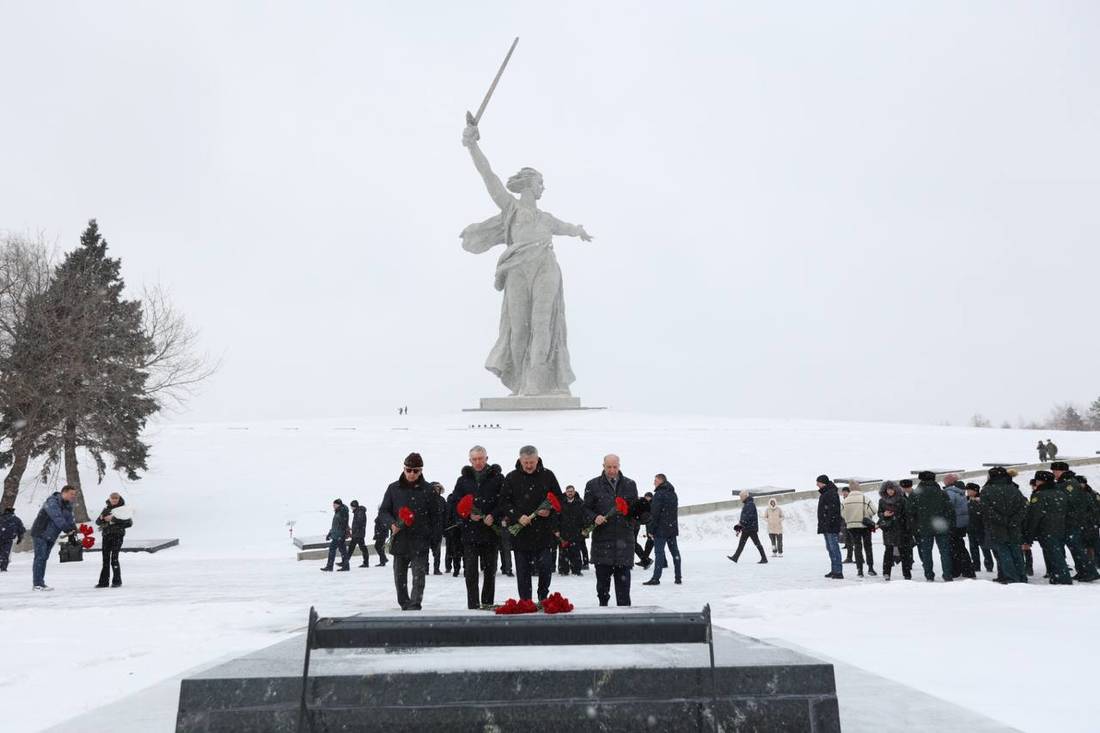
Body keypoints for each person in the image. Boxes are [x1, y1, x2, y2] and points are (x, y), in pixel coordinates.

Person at [460, 122, 593, 397]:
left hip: (545, 266)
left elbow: (567, 227)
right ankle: (521, 381)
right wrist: (472, 145)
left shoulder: (546, 219)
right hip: (517, 269)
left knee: (543, 324)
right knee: (519, 328)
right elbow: (489, 177)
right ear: (529, 184)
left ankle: (538, 381)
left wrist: (578, 231)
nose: (543, 187)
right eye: (541, 182)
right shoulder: (512, 208)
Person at [499, 446, 563, 603]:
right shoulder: (511, 477)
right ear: (520, 460)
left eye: (531, 462)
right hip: (521, 534)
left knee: (546, 568)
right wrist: (517, 516)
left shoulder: (548, 475)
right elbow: (503, 502)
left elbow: (559, 500)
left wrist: (550, 512)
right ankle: (526, 601)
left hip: (544, 533)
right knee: (522, 571)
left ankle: (543, 597)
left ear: (537, 459)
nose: (528, 466)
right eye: (525, 462)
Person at [379, 453, 439, 610]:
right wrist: (392, 524)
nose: (412, 473)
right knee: (400, 578)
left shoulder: (428, 490)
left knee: (419, 576)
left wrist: (434, 540)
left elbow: (436, 517)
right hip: (400, 540)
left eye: (416, 471)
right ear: (404, 469)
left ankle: (415, 604)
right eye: (409, 470)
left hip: (420, 540)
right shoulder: (393, 489)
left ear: (421, 471)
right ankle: (404, 603)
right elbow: (383, 511)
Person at [452, 445, 504, 610]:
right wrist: (467, 515)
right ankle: (473, 604)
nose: (478, 462)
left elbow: (503, 501)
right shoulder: (463, 480)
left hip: (490, 532)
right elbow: (455, 502)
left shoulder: (498, 478)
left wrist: (493, 515)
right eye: (474, 459)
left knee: (490, 571)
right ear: (470, 461)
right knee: (471, 571)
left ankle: (487, 602)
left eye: (481, 458)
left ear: (487, 458)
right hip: (470, 533)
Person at [584, 454, 638, 606]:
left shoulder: (630, 484)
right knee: (602, 590)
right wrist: (594, 517)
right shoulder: (592, 485)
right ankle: (603, 617)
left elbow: (635, 511)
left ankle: (625, 623)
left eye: (615, 467)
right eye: (609, 467)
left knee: (624, 593)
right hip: (602, 544)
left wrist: (635, 516)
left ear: (619, 466)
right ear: (603, 466)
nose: (612, 470)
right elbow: (585, 509)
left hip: (624, 544)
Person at [1052, 461, 1099, 582]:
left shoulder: (1070, 484)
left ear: (1062, 471)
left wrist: (1069, 517)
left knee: (1077, 548)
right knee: (1075, 547)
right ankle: (1083, 571)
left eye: (1055, 471)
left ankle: (1089, 571)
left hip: (1073, 522)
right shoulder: (1065, 482)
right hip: (1071, 521)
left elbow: (1071, 503)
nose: (1054, 473)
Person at [981, 466, 1028, 584]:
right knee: (1017, 552)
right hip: (1014, 527)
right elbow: (1023, 507)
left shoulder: (987, 490)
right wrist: (1014, 521)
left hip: (997, 527)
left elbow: (986, 510)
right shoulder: (1014, 489)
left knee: (1004, 552)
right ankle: (1022, 576)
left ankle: (1011, 577)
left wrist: (1002, 520)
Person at [1025, 470, 1072, 585]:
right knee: (1058, 552)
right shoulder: (1060, 493)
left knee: (1053, 554)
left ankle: (1062, 578)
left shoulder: (1039, 495)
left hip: (1046, 529)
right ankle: (1057, 575)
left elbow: (1034, 516)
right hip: (1061, 527)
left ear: (1040, 481)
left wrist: (1029, 536)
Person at [29, 485, 77, 590]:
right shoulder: (52, 502)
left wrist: (73, 531)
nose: (73, 496)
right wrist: (67, 529)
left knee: (44, 558)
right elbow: (57, 517)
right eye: (71, 494)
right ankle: (37, 584)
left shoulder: (68, 505)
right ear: (64, 492)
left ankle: (40, 583)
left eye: (74, 494)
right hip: (41, 532)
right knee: (40, 558)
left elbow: (69, 519)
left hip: (51, 535)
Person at [909, 471, 954, 582]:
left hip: (924, 527)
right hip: (941, 526)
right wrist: (949, 524)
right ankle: (947, 574)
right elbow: (950, 511)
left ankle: (929, 575)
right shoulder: (942, 493)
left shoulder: (915, 494)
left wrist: (915, 526)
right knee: (944, 552)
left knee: (926, 552)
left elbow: (910, 511)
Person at [643, 473, 681, 585]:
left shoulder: (659, 495)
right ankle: (678, 577)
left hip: (660, 529)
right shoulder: (673, 494)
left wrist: (650, 529)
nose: (654, 482)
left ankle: (656, 578)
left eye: (655, 480)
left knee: (659, 553)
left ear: (661, 481)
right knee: (675, 553)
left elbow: (654, 514)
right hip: (671, 528)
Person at [94, 492, 132, 588]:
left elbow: (129, 523)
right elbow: (97, 522)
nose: (114, 500)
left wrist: (113, 519)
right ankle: (103, 582)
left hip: (117, 535)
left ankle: (117, 581)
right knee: (105, 559)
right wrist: (102, 518)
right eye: (113, 498)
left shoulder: (123, 509)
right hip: (106, 535)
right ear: (109, 499)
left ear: (119, 499)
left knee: (114, 558)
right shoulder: (106, 509)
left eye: (116, 498)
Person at [877, 481, 912, 580]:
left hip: (901, 529)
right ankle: (886, 573)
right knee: (888, 552)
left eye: (891, 489)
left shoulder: (902, 500)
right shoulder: (882, 501)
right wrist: (884, 514)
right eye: (888, 489)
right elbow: (879, 513)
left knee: (904, 552)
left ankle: (907, 574)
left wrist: (907, 528)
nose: (890, 491)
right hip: (888, 529)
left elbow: (907, 515)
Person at [841, 482, 876, 577]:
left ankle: (859, 570)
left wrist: (851, 519)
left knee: (857, 547)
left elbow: (843, 514)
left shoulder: (845, 501)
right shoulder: (865, 498)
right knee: (868, 546)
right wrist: (865, 515)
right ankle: (870, 568)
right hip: (865, 526)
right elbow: (874, 510)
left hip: (852, 526)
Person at [943, 474, 975, 579]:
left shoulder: (950, 493)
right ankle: (966, 570)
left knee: (956, 548)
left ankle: (960, 570)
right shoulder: (960, 492)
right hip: (962, 524)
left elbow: (948, 508)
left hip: (954, 524)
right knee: (959, 547)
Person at [728, 490, 767, 564]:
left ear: (745, 496)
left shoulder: (750, 504)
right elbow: (744, 517)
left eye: (741, 497)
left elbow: (748, 517)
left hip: (751, 528)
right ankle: (735, 557)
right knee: (742, 544)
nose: (740, 498)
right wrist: (740, 526)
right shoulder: (747, 504)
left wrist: (740, 524)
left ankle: (764, 558)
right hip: (747, 528)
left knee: (757, 543)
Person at [817, 475, 844, 579]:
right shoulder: (826, 492)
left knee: (834, 548)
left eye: (818, 482)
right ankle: (834, 569)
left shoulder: (831, 493)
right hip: (827, 525)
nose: (817, 485)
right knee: (830, 548)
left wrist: (828, 523)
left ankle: (838, 571)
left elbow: (833, 511)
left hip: (831, 526)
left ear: (823, 483)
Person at [965, 483, 995, 573]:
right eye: (967, 490)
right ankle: (976, 565)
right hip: (970, 528)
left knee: (985, 547)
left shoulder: (981, 500)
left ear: (975, 491)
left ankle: (989, 565)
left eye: (969, 490)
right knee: (973, 548)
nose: (967, 492)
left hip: (981, 528)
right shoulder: (966, 500)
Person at [558, 485, 586, 576]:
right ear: (566, 492)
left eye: (571, 491)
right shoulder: (561, 502)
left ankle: (576, 569)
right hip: (563, 531)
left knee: (576, 551)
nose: (570, 493)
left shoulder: (580, 503)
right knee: (563, 551)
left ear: (574, 492)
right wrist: (556, 529)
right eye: (568, 491)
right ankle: (563, 569)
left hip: (576, 531)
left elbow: (584, 517)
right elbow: (556, 517)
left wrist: (584, 528)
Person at [321, 499, 351, 572]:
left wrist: (342, 535)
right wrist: (330, 533)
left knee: (332, 549)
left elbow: (343, 524)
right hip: (337, 535)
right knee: (343, 550)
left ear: (338, 505)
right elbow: (335, 525)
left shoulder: (342, 512)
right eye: (333, 505)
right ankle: (346, 565)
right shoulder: (338, 512)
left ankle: (330, 566)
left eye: (334, 505)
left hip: (339, 535)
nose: (333, 506)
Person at [444, 487, 464, 577]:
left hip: (463, 528)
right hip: (455, 529)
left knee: (463, 550)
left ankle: (463, 569)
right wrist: (454, 521)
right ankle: (456, 569)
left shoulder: (463, 499)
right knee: (457, 550)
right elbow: (448, 514)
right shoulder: (451, 501)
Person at [0, 506, 26, 572]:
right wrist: (19, 538)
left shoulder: (1, 518)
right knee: (5, 553)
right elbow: (21, 530)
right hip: (8, 539)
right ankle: (3, 567)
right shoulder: (16, 519)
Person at [898, 479, 917, 570]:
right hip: (904, 524)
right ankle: (908, 561)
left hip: (915, 523)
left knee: (910, 543)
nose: (904, 490)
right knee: (907, 544)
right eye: (903, 488)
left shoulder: (915, 495)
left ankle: (909, 560)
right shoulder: (900, 497)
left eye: (906, 488)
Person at [632, 491, 654, 569]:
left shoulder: (638, 502)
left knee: (632, 543)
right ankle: (645, 559)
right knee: (633, 543)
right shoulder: (639, 501)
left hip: (633, 524)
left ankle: (645, 560)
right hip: (635, 524)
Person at [430, 482, 447, 575]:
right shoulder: (427, 499)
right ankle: (425, 568)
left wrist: (445, 527)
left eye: (438, 488)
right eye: (435, 488)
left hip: (438, 529)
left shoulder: (442, 500)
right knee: (424, 550)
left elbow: (445, 514)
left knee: (437, 550)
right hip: (427, 529)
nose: (437, 490)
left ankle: (436, 568)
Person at [348, 500, 370, 568]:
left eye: (351, 506)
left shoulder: (359, 512)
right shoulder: (358, 511)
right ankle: (366, 562)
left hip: (358, 534)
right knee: (361, 548)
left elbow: (359, 522)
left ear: (354, 506)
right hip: (358, 533)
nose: (351, 508)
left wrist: (355, 530)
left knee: (354, 548)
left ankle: (345, 561)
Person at [840, 486, 854, 564]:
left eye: (846, 492)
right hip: (846, 523)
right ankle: (849, 557)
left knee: (855, 541)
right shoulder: (844, 501)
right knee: (848, 541)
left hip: (853, 523)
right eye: (843, 492)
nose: (844, 493)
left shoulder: (852, 500)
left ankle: (860, 558)